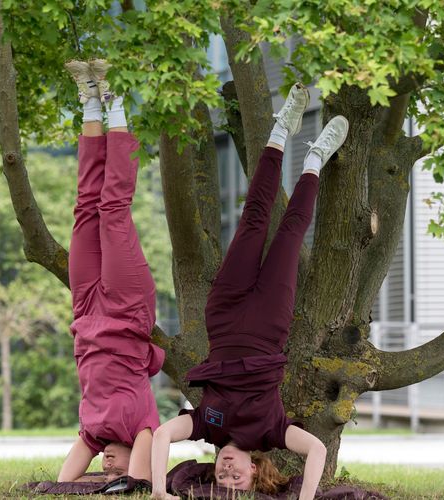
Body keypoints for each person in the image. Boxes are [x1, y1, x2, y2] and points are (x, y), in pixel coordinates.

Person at [150, 83, 350, 500]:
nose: (226, 474)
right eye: (237, 479)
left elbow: (162, 435)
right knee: (290, 235)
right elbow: (315, 449)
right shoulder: (271, 432)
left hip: (223, 314)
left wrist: (157, 490)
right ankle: (315, 158)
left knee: (253, 220)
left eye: (222, 479)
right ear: (255, 469)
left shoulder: (207, 426)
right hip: (268, 324)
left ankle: (281, 131)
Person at [57, 59, 164, 484]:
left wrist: (79, 486)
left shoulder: (92, 432)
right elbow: (135, 481)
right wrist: (128, 483)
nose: (108, 467)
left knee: (85, 209)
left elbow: (64, 482)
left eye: (104, 469)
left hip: (85, 309)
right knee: (113, 211)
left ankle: (89, 101)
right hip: (125, 309)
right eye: (111, 469)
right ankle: (115, 99)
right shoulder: (144, 427)